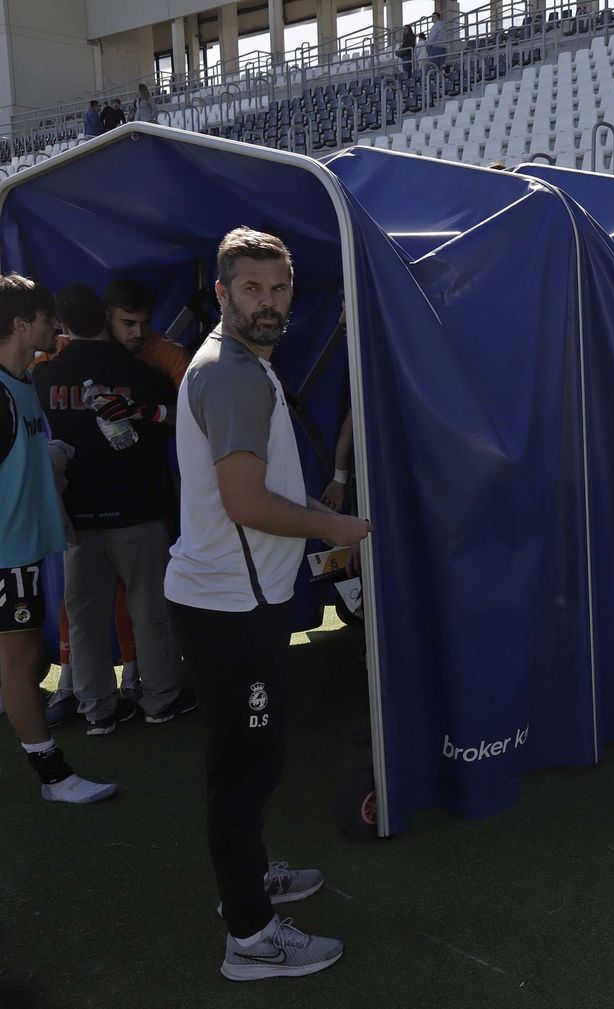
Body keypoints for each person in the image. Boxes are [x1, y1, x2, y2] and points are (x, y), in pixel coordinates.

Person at [165, 228, 370, 980]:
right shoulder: (233, 374)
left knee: (247, 759)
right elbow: (246, 502)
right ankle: (249, 937)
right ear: (222, 293)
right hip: (230, 607)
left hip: (230, 598)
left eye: (279, 289)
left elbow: (257, 487)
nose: (269, 303)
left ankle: (246, 881)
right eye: (252, 289)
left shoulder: (241, 365)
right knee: (246, 766)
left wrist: (310, 504)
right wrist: (335, 524)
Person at [31, 286, 191, 735]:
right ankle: (160, 698)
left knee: (83, 617)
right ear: (105, 317)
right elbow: (189, 414)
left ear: (61, 323)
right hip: (138, 509)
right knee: (150, 609)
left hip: (77, 516)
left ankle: (97, 707)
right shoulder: (138, 370)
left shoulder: (43, 376)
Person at [0, 273, 117, 803]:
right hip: (7, 554)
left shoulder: (24, 382)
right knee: (22, 664)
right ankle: (53, 778)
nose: (57, 326)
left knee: (26, 662)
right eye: (48, 318)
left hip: (22, 550)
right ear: (23, 326)